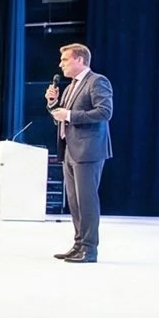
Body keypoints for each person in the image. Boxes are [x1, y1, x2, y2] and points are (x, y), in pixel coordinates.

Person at [47, 43, 113, 263]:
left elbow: (104, 112)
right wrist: (52, 103)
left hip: (88, 150)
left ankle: (90, 249)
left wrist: (70, 115)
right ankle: (78, 245)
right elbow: (61, 115)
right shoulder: (70, 87)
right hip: (69, 150)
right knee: (74, 202)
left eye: (65, 60)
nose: (61, 64)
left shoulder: (97, 81)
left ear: (80, 60)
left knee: (87, 201)